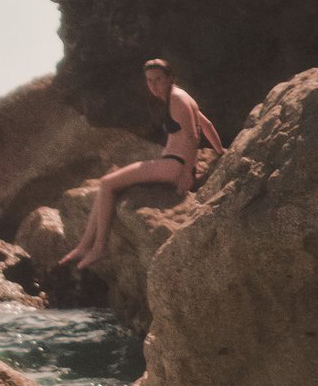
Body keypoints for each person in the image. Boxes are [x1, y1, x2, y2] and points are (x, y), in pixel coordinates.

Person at [61, 58, 223, 274]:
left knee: (107, 183)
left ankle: (99, 247)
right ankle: (84, 246)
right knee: (108, 182)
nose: (154, 86)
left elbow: (194, 136)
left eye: (158, 80)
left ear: (170, 79)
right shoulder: (182, 97)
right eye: (149, 81)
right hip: (173, 165)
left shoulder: (177, 99)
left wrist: (186, 173)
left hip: (174, 166)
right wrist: (220, 152)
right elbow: (207, 124)